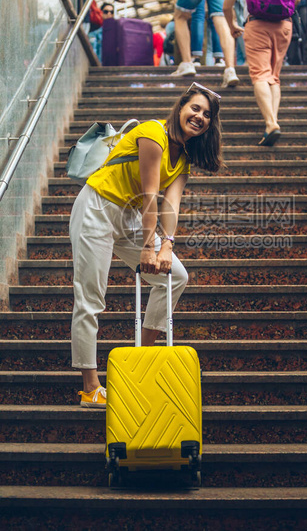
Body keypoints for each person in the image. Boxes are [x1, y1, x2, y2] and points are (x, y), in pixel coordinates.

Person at [71, 83, 223, 408]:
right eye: (195, 108)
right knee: (90, 298)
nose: (199, 117)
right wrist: (147, 247)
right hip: (97, 208)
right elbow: (150, 194)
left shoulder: (184, 159)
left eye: (207, 115)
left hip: (129, 217)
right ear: (181, 107)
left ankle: (140, 360)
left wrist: (167, 244)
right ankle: (90, 386)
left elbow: (172, 203)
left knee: (176, 276)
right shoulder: (152, 133)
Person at [223, 0, 300, 146]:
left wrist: (232, 25)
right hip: (284, 24)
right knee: (274, 76)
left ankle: (271, 123)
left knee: (259, 75)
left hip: (257, 24)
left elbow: (227, 4)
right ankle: (272, 122)